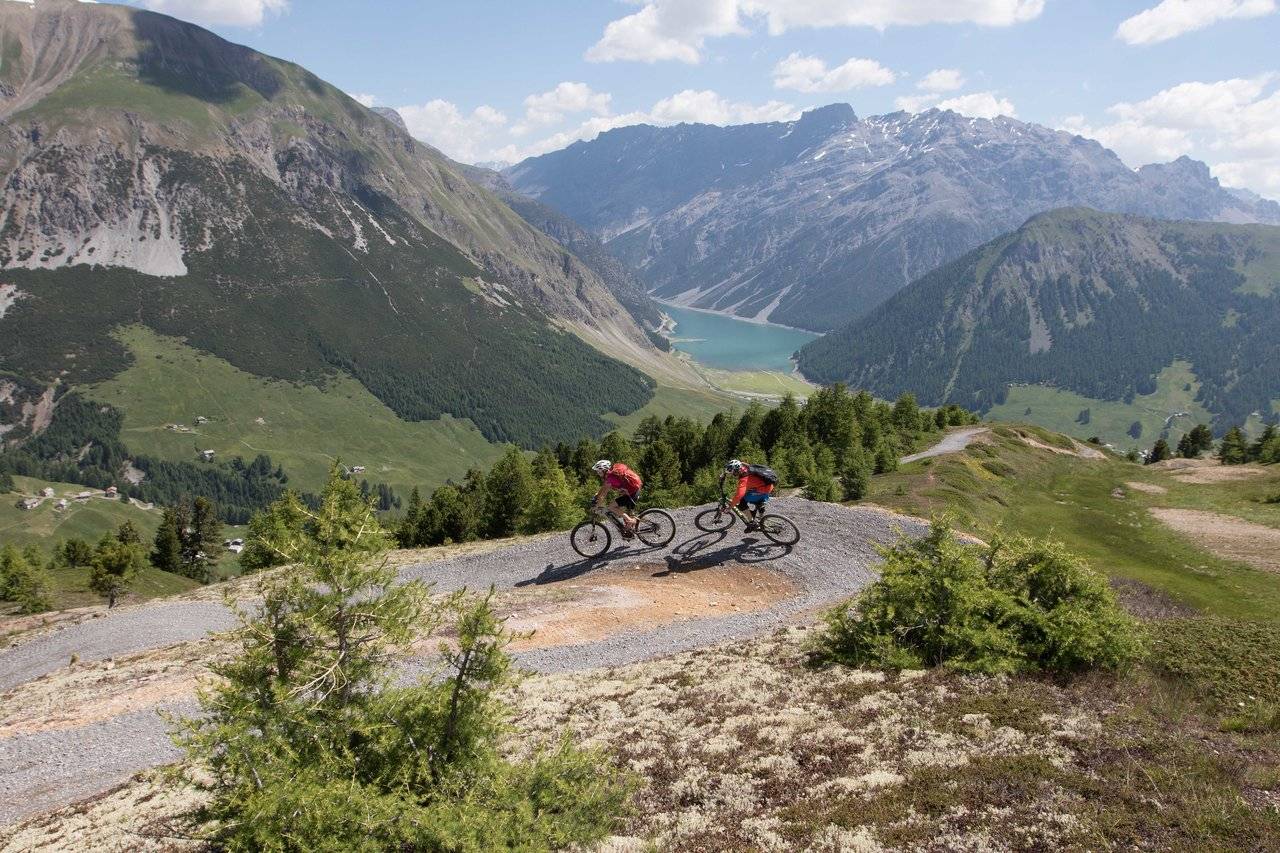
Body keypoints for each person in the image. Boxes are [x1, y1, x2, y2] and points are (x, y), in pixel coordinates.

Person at [591, 459, 642, 536]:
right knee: (622, 508)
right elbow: (603, 487)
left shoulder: (610, 478)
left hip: (632, 493)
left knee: (611, 506)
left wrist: (597, 505)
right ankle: (629, 530)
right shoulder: (610, 475)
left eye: (599, 471)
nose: (598, 473)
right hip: (633, 491)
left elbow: (603, 495)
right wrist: (597, 495)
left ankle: (630, 520)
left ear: (604, 470)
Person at [722, 459, 775, 529]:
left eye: (733, 473)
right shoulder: (748, 468)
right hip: (768, 486)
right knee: (747, 493)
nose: (733, 474)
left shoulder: (744, 480)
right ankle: (760, 505)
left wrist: (729, 508)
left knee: (742, 503)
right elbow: (742, 464)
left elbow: (738, 496)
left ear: (737, 471)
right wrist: (724, 474)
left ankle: (752, 522)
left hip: (763, 490)